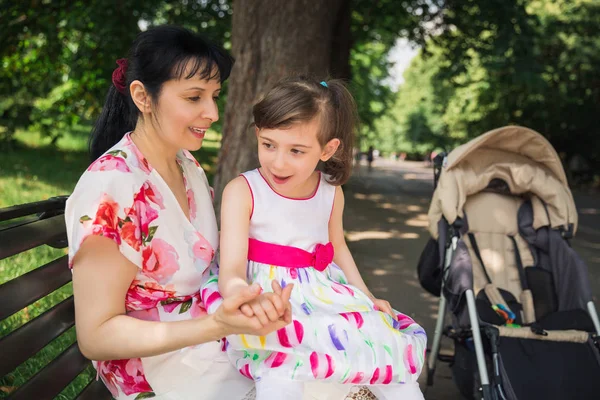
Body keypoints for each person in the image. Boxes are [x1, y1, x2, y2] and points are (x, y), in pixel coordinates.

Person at [65, 25, 294, 400]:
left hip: (210, 348)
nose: (213, 112)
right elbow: (96, 336)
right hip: (157, 372)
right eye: (194, 97)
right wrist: (216, 325)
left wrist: (247, 303)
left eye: (215, 96)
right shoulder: (111, 189)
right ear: (142, 96)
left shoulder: (187, 166)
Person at [214, 76, 427, 400]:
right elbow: (230, 267)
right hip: (267, 294)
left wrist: (367, 295)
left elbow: (336, 246)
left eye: (296, 150)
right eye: (268, 144)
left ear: (328, 149)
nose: (278, 161)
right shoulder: (243, 191)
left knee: (384, 348)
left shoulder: (329, 191)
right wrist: (243, 295)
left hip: (322, 292)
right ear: (258, 134)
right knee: (280, 366)